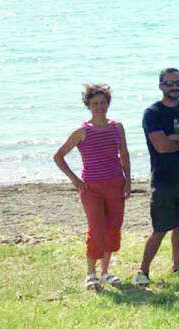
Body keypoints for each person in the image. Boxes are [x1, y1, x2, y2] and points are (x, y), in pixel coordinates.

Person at [53, 84, 131, 290]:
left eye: (103, 103)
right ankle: (91, 273)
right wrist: (74, 180)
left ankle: (105, 272)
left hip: (116, 183)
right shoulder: (82, 132)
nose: (99, 107)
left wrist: (128, 181)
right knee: (96, 230)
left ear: (108, 104)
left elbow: (124, 154)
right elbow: (58, 156)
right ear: (88, 105)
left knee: (113, 228)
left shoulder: (117, 127)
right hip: (91, 188)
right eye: (95, 103)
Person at [134, 68, 179, 285]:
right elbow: (162, 147)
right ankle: (143, 271)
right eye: (169, 83)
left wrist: (175, 137)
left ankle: (176, 266)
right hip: (163, 180)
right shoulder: (152, 113)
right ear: (160, 85)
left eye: (178, 83)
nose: (175, 87)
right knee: (160, 229)